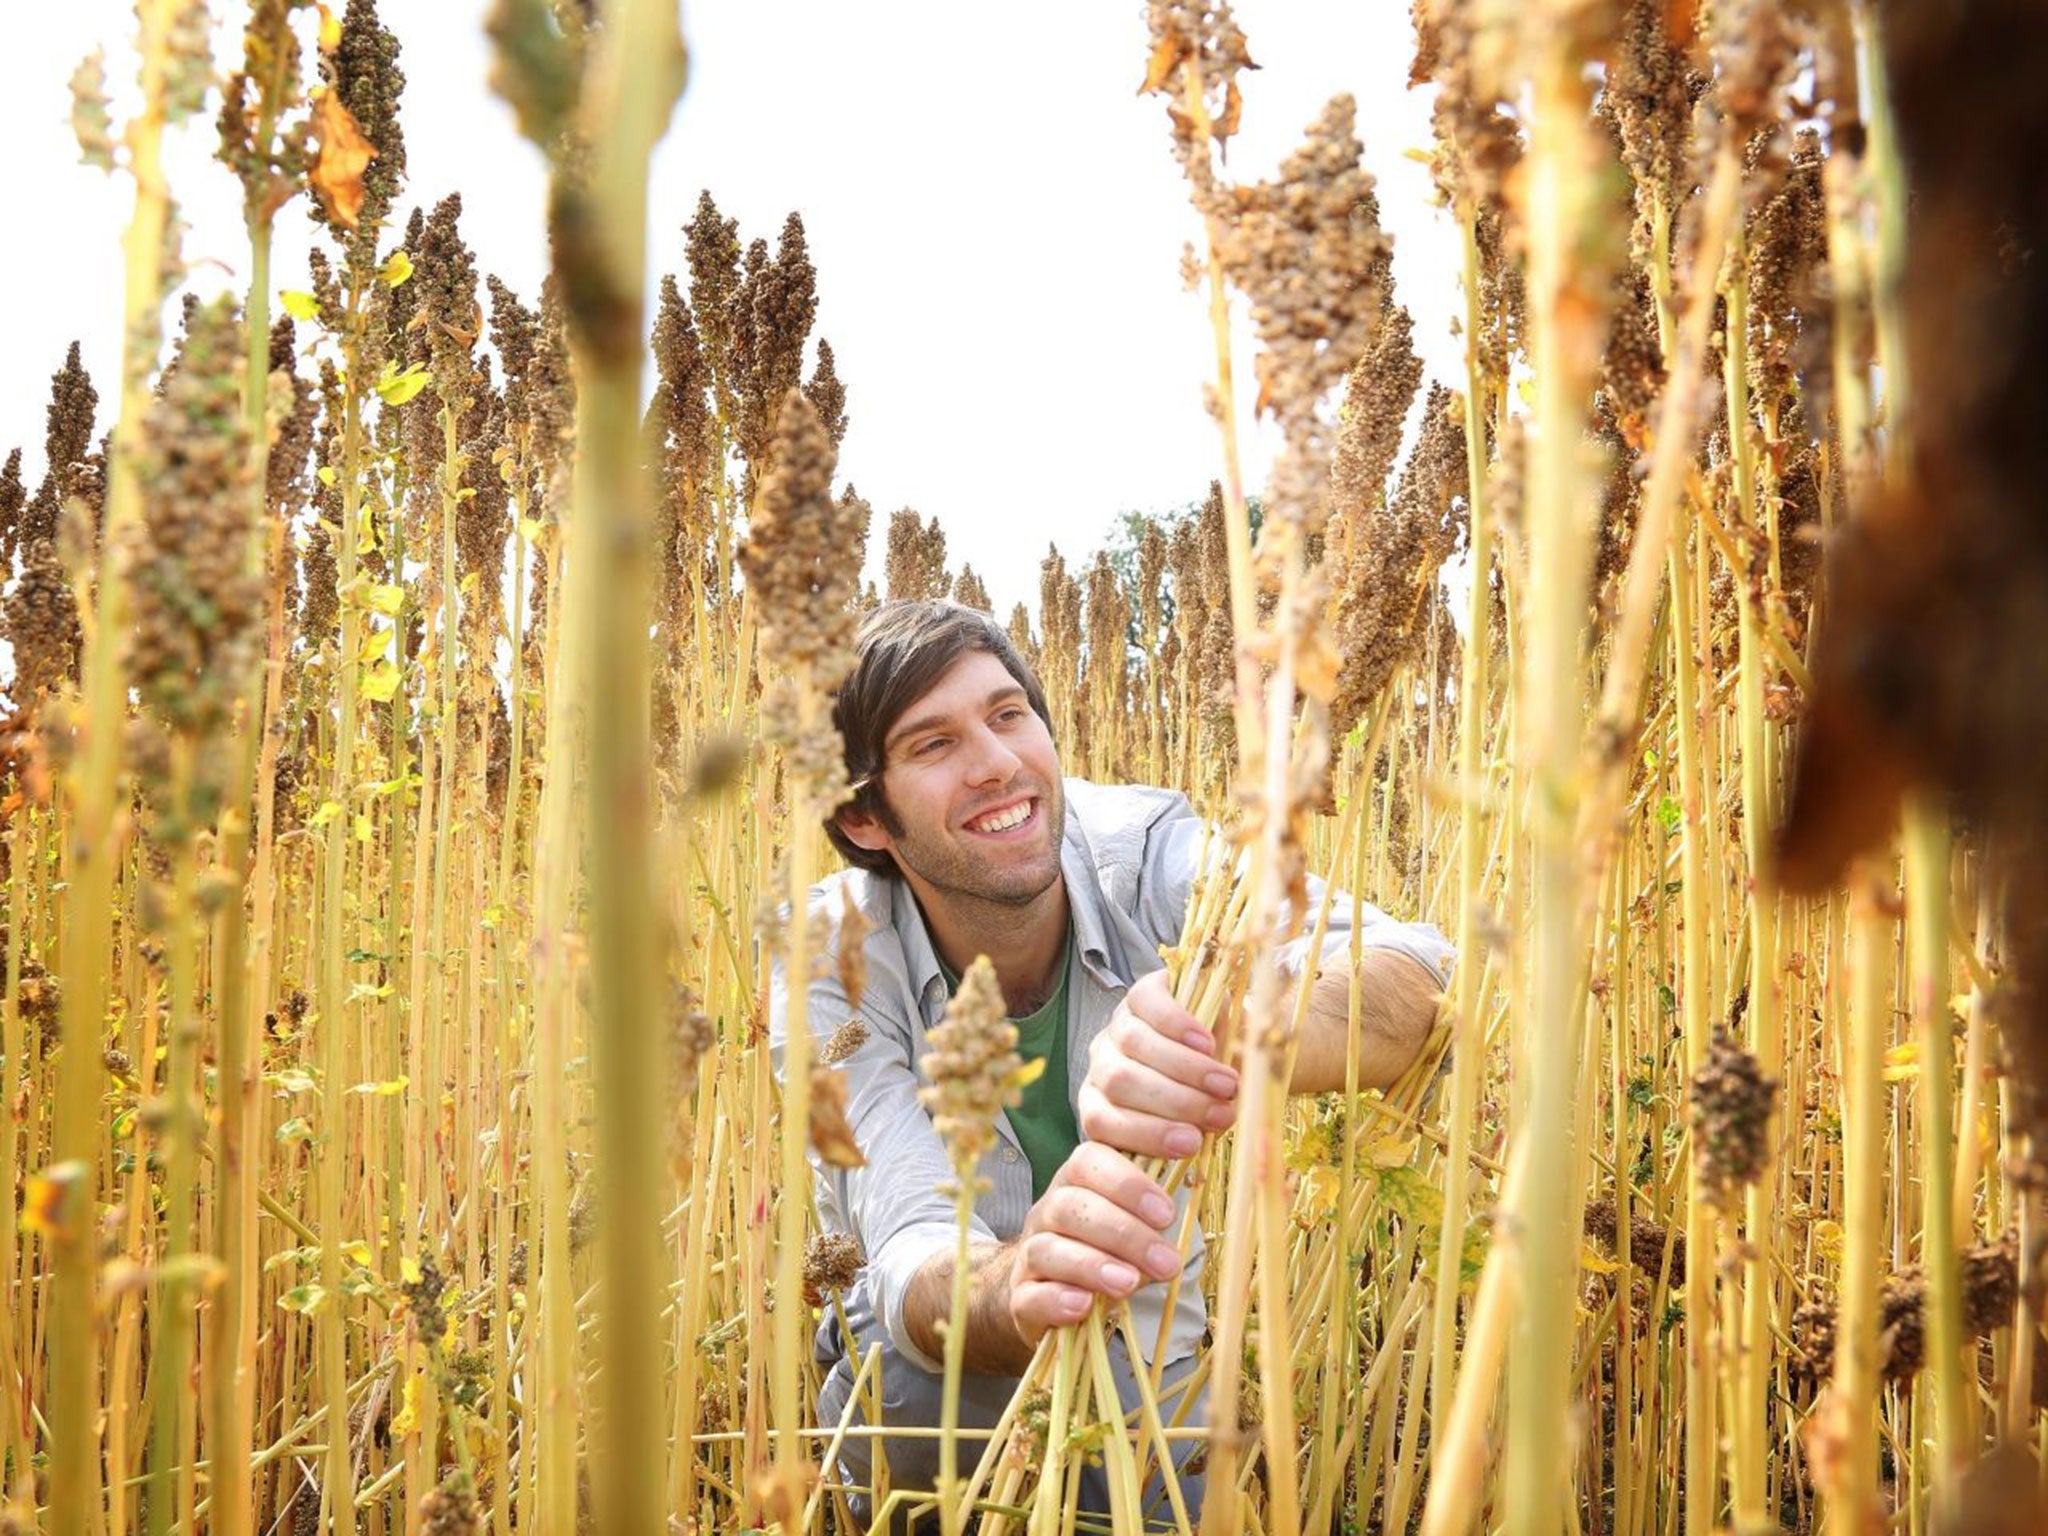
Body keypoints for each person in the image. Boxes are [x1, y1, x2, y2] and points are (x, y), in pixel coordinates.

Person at [769, 599, 1452, 1532]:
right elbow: (908, 1249)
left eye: (1010, 715)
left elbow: (1417, 973)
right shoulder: (828, 953)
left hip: (1152, 1383)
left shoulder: (1145, 852)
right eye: (933, 745)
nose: (999, 763)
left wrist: (1246, 1034)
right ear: (865, 816)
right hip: (931, 1411)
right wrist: (1020, 1291)